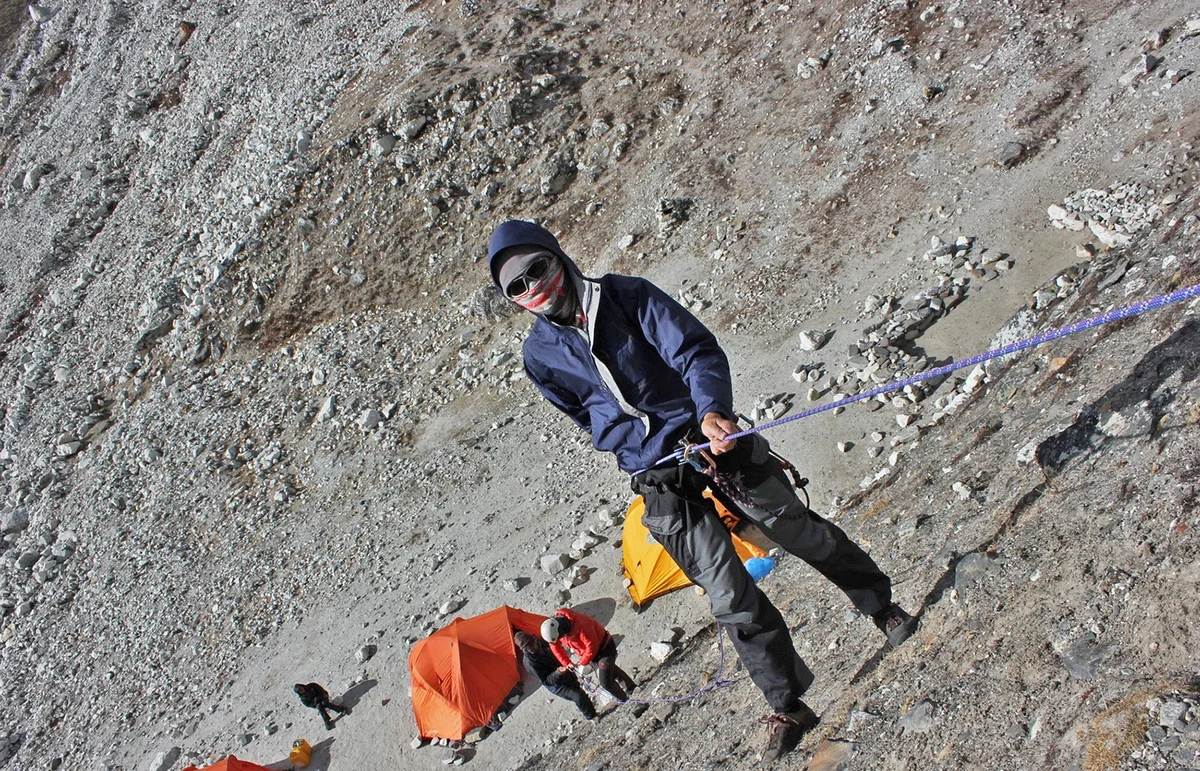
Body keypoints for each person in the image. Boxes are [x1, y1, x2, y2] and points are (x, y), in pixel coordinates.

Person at [487, 219, 919, 763]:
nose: (534, 286)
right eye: (518, 287)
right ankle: (788, 702)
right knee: (727, 593)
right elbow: (581, 412)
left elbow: (696, 352)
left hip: (709, 437)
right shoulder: (539, 357)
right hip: (655, 472)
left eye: (537, 268)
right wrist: (630, 452)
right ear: (512, 300)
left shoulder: (627, 295)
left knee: (799, 532)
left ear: (557, 256)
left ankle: (883, 608)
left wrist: (713, 410)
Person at [540, 608, 636, 703]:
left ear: (560, 628)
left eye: (559, 637)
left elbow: (592, 646)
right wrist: (567, 663)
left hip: (605, 648)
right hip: (592, 655)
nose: (560, 639)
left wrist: (582, 662)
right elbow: (555, 647)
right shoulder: (559, 630)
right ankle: (632, 688)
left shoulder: (581, 624)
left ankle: (625, 699)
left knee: (605, 681)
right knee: (610, 670)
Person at [514, 630, 598, 720]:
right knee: (578, 696)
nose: (534, 646)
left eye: (533, 642)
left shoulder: (542, 642)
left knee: (578, 689)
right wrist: (558, 672)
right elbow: (546, 681)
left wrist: (566, 662)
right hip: (556, 685)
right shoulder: (530, 663)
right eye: (530, 647)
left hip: (565, 672)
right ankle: (592, 717)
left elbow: (556, 648)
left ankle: (591, 710)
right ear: (525, 650)